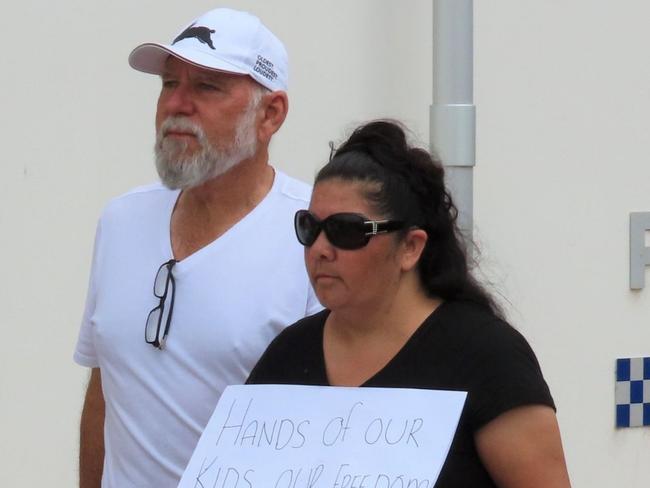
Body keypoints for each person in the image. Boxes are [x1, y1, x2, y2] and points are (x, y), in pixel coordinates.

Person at [247, 120, 572, 487]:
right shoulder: (288, 354)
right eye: (309, 227)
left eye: (346, 230)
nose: (320, 249)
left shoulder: (486, 357)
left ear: (411, 247)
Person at [74, 8, 321, 488]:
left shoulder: (317, 233)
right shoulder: (120, 221)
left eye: (207, 87)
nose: (177, 105)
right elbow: (109, 390)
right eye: (169, 84)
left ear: (271, 114)